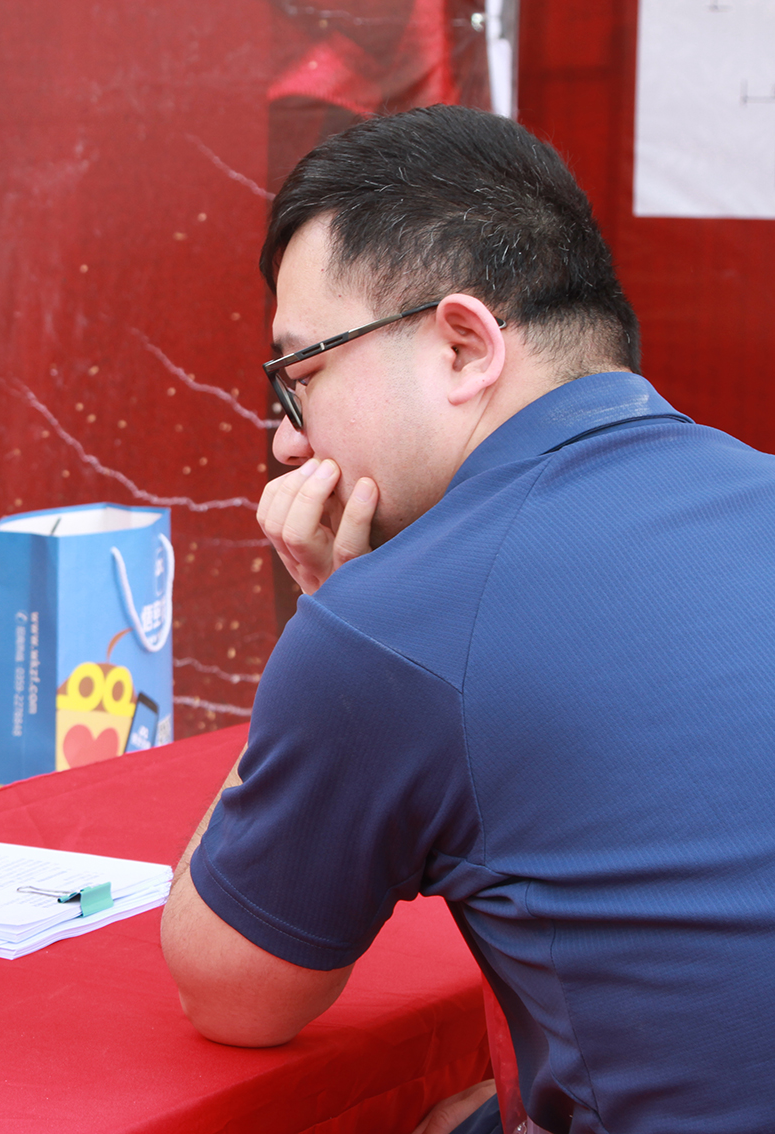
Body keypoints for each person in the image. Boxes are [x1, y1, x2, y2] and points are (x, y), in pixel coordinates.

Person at [160, 104, 775, 1134]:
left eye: (301, 377)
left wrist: (333, 613)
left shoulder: (393, 622)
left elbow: (229, 993)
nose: (286, 444)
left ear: (461, 346)